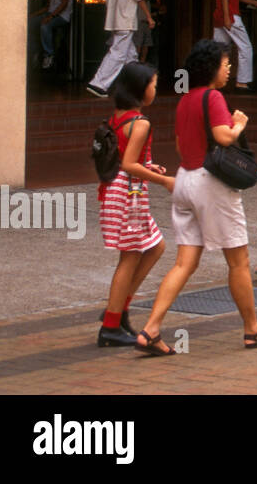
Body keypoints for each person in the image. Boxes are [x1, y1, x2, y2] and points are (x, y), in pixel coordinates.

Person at [134, 39, 257, 354]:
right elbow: (222, 136)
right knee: (238, 261)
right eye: (225, 63)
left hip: (185, 180)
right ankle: (253, 330)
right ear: (211, 68)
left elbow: (179, 146)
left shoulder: (185, 99)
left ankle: (150, 329)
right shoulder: (213, 97)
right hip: (211, 185)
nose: (229, 68)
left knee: (184, 262)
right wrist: (239, 123)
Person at [95, 63, 173, 348]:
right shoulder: (141, 122)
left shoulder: (118, 116)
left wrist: (149, 166)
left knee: (154, 247)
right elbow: (129, 164)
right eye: (153, 83)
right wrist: (164, 181)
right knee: (130, 256)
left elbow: (127, 157)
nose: (155, 88)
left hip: (118, 190)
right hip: (129, 194)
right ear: (141, 89)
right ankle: (111, 324)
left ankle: (119, 309)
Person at [87, 0, 154, 97]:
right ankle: (98, 83)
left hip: (113, 19)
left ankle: (135, 85)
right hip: (126, 20)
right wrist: (149, 17)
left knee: (131, 56)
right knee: (117, 52)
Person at [31, 0, 72, 70]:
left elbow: (63, 4)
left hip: (62, 16)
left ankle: (49, 54)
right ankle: (34, 52)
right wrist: (34, 15)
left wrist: (51, 17)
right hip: (50, 13)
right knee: (30, 23)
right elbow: (48, 6)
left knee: (45, 25)